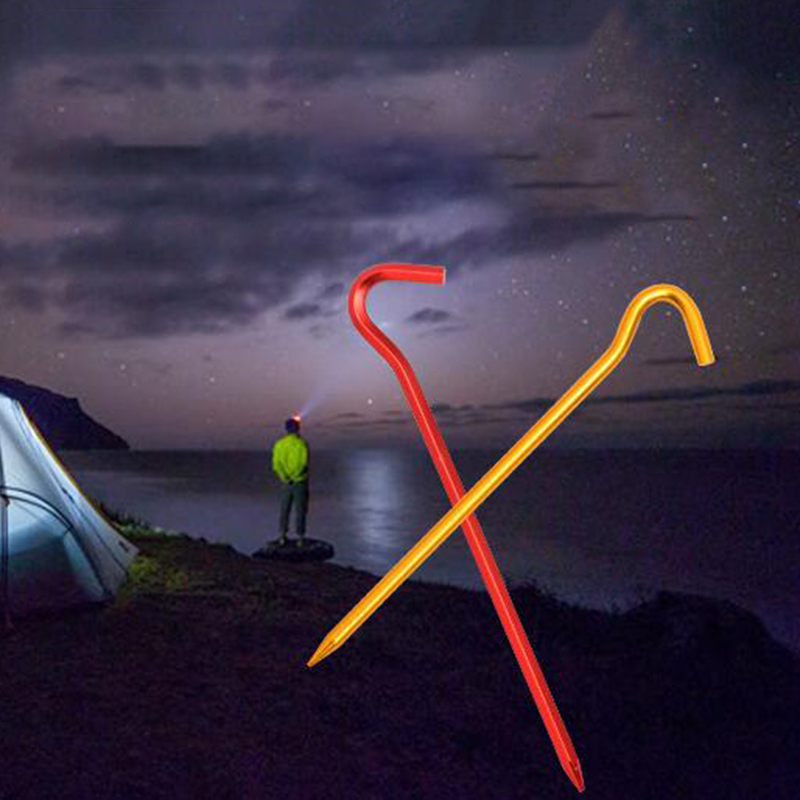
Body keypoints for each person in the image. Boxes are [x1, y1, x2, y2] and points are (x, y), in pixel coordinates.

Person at [271, 416, 309, 547]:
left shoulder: (279, 444)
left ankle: (282, 536)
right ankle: (300, 537)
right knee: (300, 509)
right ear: (297, 429)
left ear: (286, 429)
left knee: (285, 508)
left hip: (286, 482)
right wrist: (295, 476)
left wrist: (285, 477)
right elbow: (303, 463)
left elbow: (276, 464)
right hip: (299, 481)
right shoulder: (301, 443)